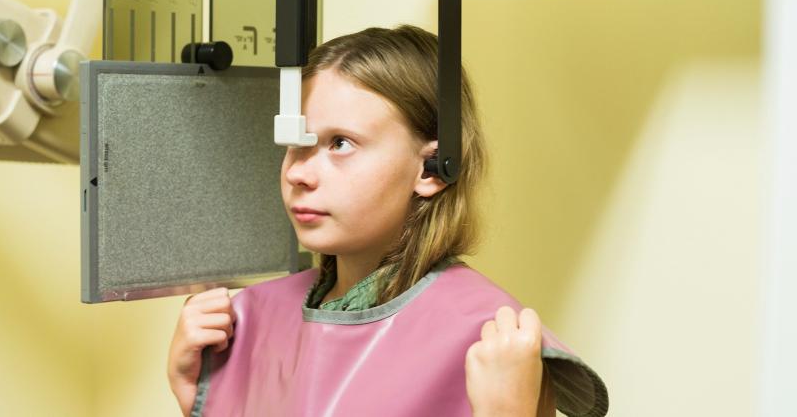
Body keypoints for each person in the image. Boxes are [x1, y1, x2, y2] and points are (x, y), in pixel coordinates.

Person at [167, 25, 608, 417]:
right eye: (295, 142)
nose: (298, 172)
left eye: (340, 143)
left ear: (431, 168)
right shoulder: (254, 323)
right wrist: (200, 396)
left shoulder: (495, 344)